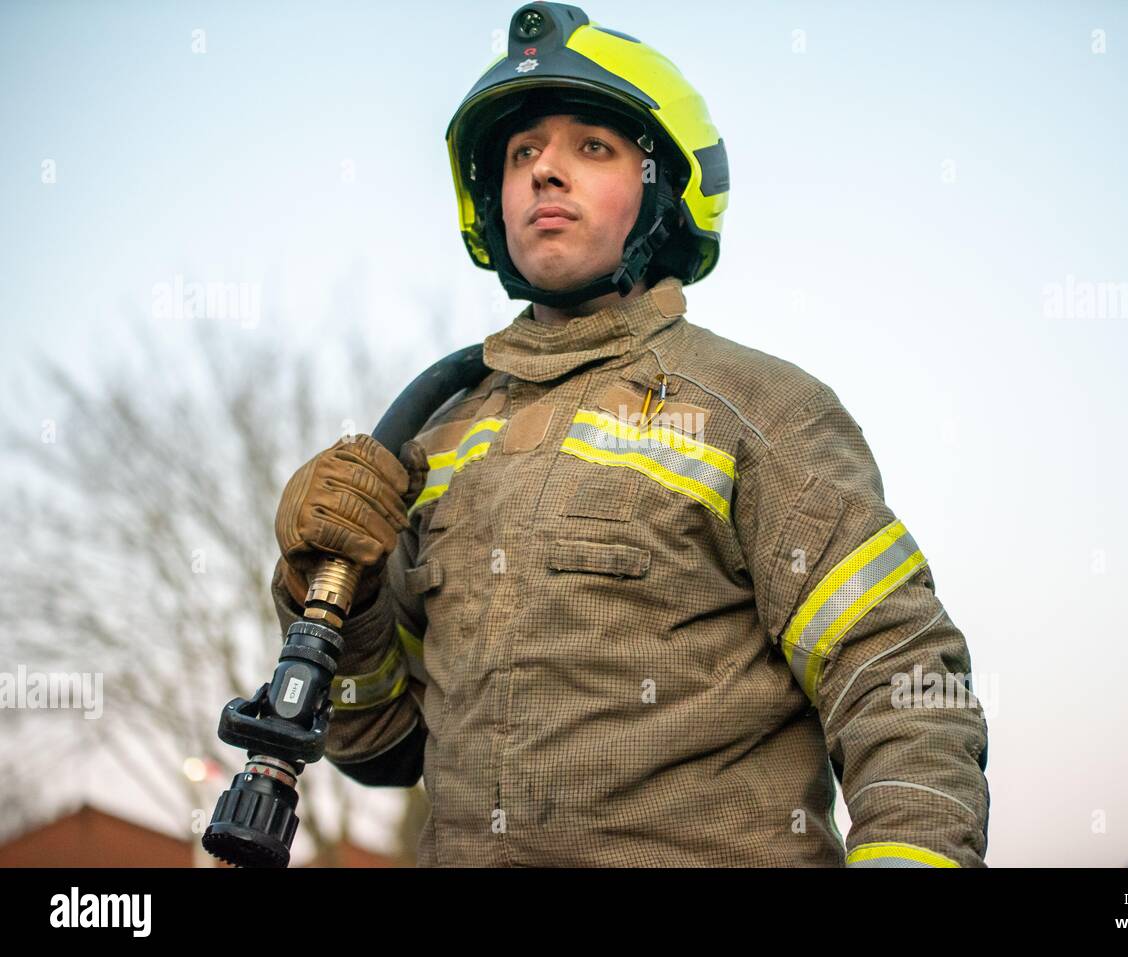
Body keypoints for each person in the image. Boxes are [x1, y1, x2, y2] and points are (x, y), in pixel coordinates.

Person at [271, 2, 990, 867]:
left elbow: (902, 682)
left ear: (660, 190)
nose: (545, 172)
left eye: (593, 148)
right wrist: (328, 592)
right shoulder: (438, 439)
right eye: (522, 152)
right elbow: (379, 742)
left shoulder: (760, 410)